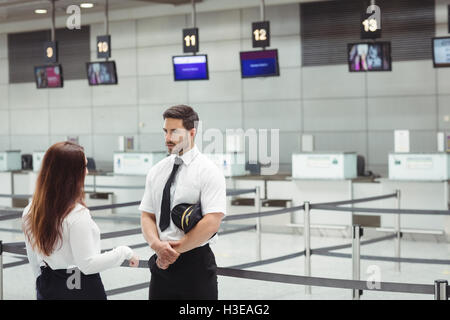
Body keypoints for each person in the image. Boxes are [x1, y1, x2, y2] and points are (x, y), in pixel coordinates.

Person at [22, 141, 140, 300]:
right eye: (83, 167)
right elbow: (88, 264)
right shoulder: (76, 214)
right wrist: (124, 252)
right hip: (81, 287)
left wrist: (42, 281)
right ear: (70, 174)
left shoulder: (31, 210)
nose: (87, 172)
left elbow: (33, 257)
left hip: (48, 284)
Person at [140, 105, 226, 300]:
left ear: (192, 132)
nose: (168, 138)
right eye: (165, 131)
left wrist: (172, 251)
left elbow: (212, 221)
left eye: (174, 132)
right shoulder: (157, 171)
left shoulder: (209, 171)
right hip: (161, 264)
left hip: (195, 265)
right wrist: (156, 246)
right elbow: (147, 215)